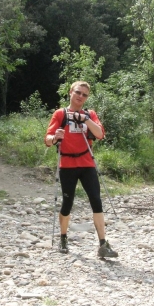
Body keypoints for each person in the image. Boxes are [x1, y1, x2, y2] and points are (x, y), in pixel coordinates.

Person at [45, 81, 118, 258]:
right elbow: (47, 140)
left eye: (85, 95)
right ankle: (63, 237)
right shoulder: (60, 114)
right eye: (78, 92)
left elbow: (100, 134)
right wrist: (55, 137)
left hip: (87, 164)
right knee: (67, 203)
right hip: (67, 165)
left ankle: (103, 244)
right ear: (71, 92)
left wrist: (85, 119)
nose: (80, 97)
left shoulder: (90, 114)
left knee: (96, 200)